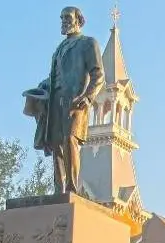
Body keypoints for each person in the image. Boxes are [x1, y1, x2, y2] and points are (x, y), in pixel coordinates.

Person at [28, 6, 104, 195]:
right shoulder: (59, 49)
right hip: (55, 102)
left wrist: (88, 96)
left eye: (68, 17)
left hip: (75, 101)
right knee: (56, 145)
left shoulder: (88, 43)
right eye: (61, 18)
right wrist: (40, 88)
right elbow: (53, 78)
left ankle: (71, 190)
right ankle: (58, 190)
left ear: (79, 20)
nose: (64, 21)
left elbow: (98, 74)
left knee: (70, 140)